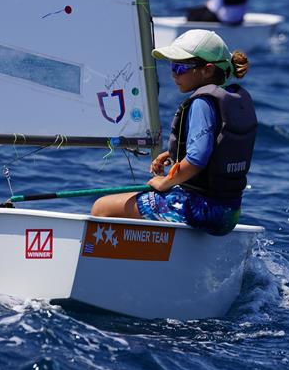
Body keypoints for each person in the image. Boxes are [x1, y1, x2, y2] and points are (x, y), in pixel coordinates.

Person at [91, 29, 257, 236]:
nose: (174, 74)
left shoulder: (201, 103)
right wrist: (174, 155)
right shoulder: (230, 99)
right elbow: (215, 150)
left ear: (207, 70)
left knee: (102, 208)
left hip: (201, 209)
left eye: (180, 67)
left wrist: (164, 183)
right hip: (228, 212)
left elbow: (197, 159)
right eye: (172, 66)